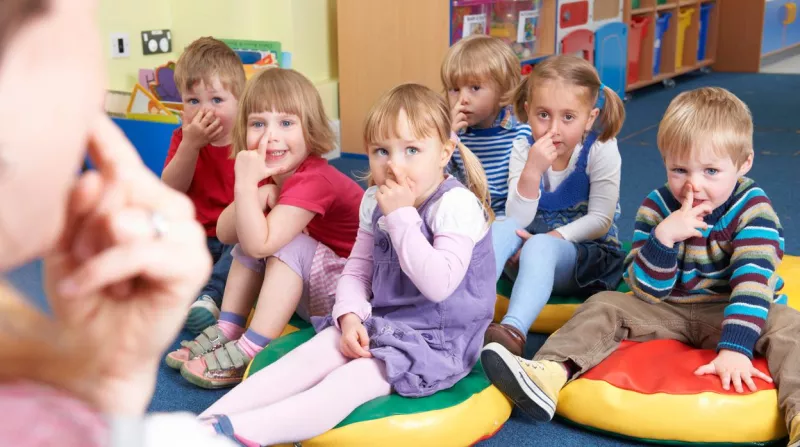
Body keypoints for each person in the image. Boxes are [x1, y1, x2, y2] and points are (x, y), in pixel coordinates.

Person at [481, 87, 800, 447]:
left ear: (743, 164)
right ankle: (550, 373)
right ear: (664, 162)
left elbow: (752, 283)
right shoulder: (657, 205)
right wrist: (663, 240)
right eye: (679, 169)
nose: (693, 185)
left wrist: (735, 348)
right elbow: (644, 289)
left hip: (728, 308)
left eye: (711, 171)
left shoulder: (753, 210)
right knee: (604, 305)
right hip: (669, 308)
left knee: (789, 326)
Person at [194, 83, 497, 446]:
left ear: (444, 152)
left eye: (412, 150)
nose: (394, 165)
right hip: (383, 319)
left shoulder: (455, 205)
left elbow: (438, 285)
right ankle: (202, 424)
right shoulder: (373, 198)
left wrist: (401, 216)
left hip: (438, 337)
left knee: (350, 380)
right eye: (381, 151)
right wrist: (350, 315)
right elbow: (357, 270)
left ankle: (234, 436)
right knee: (310, 355)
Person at [0, 0, 234, 445]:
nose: (99, 83)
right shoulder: (183, 137)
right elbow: (171, 184)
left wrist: (111, 382)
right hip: (202, 233)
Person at [166, 67, 364, 389]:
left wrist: (245, 185)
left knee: (278, 242)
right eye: (258, 123)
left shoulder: (314, 180)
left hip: (353, 296)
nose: (270, 136)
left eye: (286, 123)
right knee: (248, 234)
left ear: (310, 130)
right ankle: (228, 328)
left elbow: (262, 246)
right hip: (318, 284)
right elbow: (225, 233)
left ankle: (251, 348)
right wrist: (254, 191)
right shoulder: (273, 173)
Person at [484, 55, 627, 356]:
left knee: (539, 247)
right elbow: (516, 217)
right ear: (527, 111)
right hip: (526, 251)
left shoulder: (601, 149)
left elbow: (600, 220)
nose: (554, 129)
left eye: (568, 117)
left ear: (590, 117)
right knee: (500, 227)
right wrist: (532, 171)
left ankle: (513, 330)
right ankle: (465, 314)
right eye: (544, 115)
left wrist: (548, 240)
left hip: (586, 260)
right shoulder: (524, 148)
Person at [161, 36, 246, 334]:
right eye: (193, 101)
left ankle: (209, 298)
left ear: (240, 101)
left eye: (217, 100)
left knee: (242, 252)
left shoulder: (249, 140)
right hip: (193, 235)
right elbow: (170, 189)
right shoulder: (183, 138)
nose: (204, 111)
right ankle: (182, 293)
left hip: (231, 237)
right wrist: (191, 146)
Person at [441, 34, 532, 216]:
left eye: (475, 88)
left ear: (503, 90)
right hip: (462, 218)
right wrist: (447, 137)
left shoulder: (522, 134)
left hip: (505, 218)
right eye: (455, 89)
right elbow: (435, 182)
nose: (462, 99)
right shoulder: (452, 135)